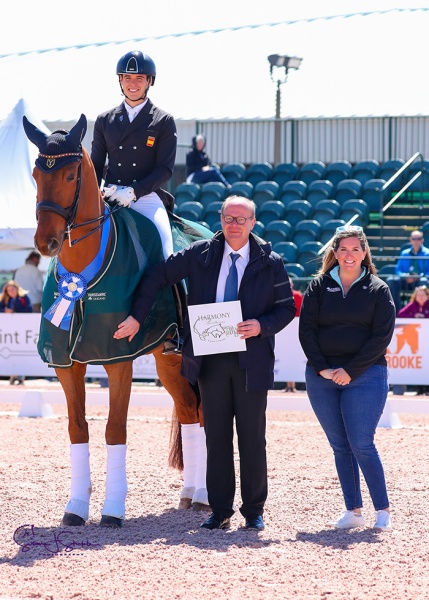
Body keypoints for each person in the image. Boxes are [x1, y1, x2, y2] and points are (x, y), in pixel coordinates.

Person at [113, 196, 296, 530]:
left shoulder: (271, 261)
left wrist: (261, 326)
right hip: (210, 361)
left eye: (242, 219)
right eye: (229, 218)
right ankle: (220, 508)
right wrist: (138, 317)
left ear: (253, 222)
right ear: (221, 219)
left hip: (250, 360)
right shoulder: (201, 254)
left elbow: (286, 308)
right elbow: (157, 275)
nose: (234, 224)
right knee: (217, 437)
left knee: (252, 438)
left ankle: (254, 510)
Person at [299, 225, 396, 532]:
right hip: (322, 377)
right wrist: (322, 368)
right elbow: (307, 331)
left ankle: (383, 510)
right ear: (335, 253)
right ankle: (353, 511)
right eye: (343, 249)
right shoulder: (317, 286)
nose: (349, 255)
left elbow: (381, 337)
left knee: (361, 443)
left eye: (356, 249)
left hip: (366, 375)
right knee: (340, 446)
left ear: (364, 253)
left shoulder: (379, 289)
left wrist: (350, 371)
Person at [91, 49, 176, 260]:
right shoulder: (104, 120)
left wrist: (132, 192)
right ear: (120, 80)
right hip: (110, 196)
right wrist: (98, 192)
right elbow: (95, 165)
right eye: (127, 77)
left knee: (166, 255)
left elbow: (164, 170)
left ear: (149, 81)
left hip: (146, 198)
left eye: (139, 78)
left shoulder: (163, 120)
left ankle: (177, 293)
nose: (133, 83)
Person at [387, 230, 429, 312]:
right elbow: (398, 270)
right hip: (405, 280)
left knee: (424, 281)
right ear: (410, 240)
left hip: (419, 281)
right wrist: (405, 276)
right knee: (391, 280)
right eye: (414, 238)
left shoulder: (427, 253)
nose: (416, 241)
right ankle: (396, 311)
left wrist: (419, 276)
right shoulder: (404, 253)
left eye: (418, 239)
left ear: (422, 240)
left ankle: (423, 311)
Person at [0, 280, 33, 385]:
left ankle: (20, 376)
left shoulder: (23, 298)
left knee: (22, 350)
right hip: (8, 330)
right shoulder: (4, 299)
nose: (11, 291)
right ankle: (12, 375)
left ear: (17, 288)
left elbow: (29, 309)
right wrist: (5, 311)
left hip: (22, 329)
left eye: (12, 289)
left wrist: (15, 312)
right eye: (9, 290)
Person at [284, 280, 303, 393]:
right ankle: (289, 385)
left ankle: (292, 385)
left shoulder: (297, 295)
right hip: (287, 328)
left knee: (292, 354)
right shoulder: (295, 295)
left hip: (293, 326)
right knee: (287, 354)